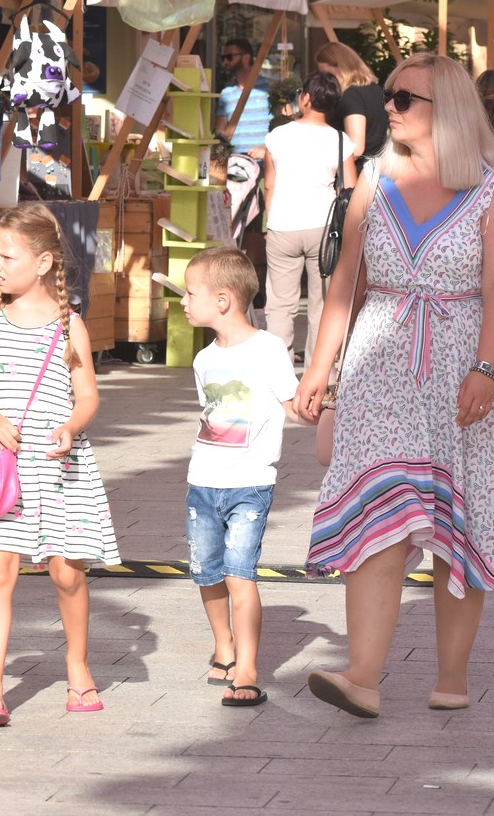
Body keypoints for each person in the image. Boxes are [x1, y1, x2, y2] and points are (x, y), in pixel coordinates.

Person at [294, 52, 494, 718]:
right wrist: (319, 368)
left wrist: (488, 368)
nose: (389, 108)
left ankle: (452, 676)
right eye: (389, 97)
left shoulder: (490, 190)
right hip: (380, 363)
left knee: (459, 520)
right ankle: (363, 677)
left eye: (404, 99)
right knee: (379, 512)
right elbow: (345, 281)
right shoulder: (373, 178)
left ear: (447, 110)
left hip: (462, 365)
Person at [0, 204, 119, 728]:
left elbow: (88, 395)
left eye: (7, 255)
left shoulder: (68, 324)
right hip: (6, 469)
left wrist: (72, 428)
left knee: (67, 573)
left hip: (59, 468)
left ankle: (77, 666)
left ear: (45, 261)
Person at [180, 246, 299, 707]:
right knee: (206, 572)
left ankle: (247, 667)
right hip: (201, 481)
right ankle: (224, 646)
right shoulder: (203, 359)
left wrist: (323, 406)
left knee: (239, 573)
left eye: (192, 294)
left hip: (250, 483)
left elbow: (294, 405)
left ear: (224, 299)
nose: (185, 302)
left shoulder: (268, 349)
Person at [262, 70, 354, 365]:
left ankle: (279, 372)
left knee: (279, 304)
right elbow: (350, 190)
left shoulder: (277, 136)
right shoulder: (340, 140)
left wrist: (269, 219)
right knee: (323, 304)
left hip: (282, 226)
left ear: (305, 98)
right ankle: (320, 373)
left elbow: (269, 184)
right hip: (324, 228)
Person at [315, 41, 387, 174]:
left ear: (342, 67)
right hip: (377, 172)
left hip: (357, 177)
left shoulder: (351, 95)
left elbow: (356, 148)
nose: (326, 81)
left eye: (328, 74)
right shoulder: (375, 89)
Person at [215, 37, 271, 157]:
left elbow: (285, 124)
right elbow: (220, 132)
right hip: (234, 163)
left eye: (229, 57)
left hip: (264, 162)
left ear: (246, 58)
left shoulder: (268, 89)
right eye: (223, 58)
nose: (225, 62)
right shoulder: (226, 93)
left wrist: (266, 149)